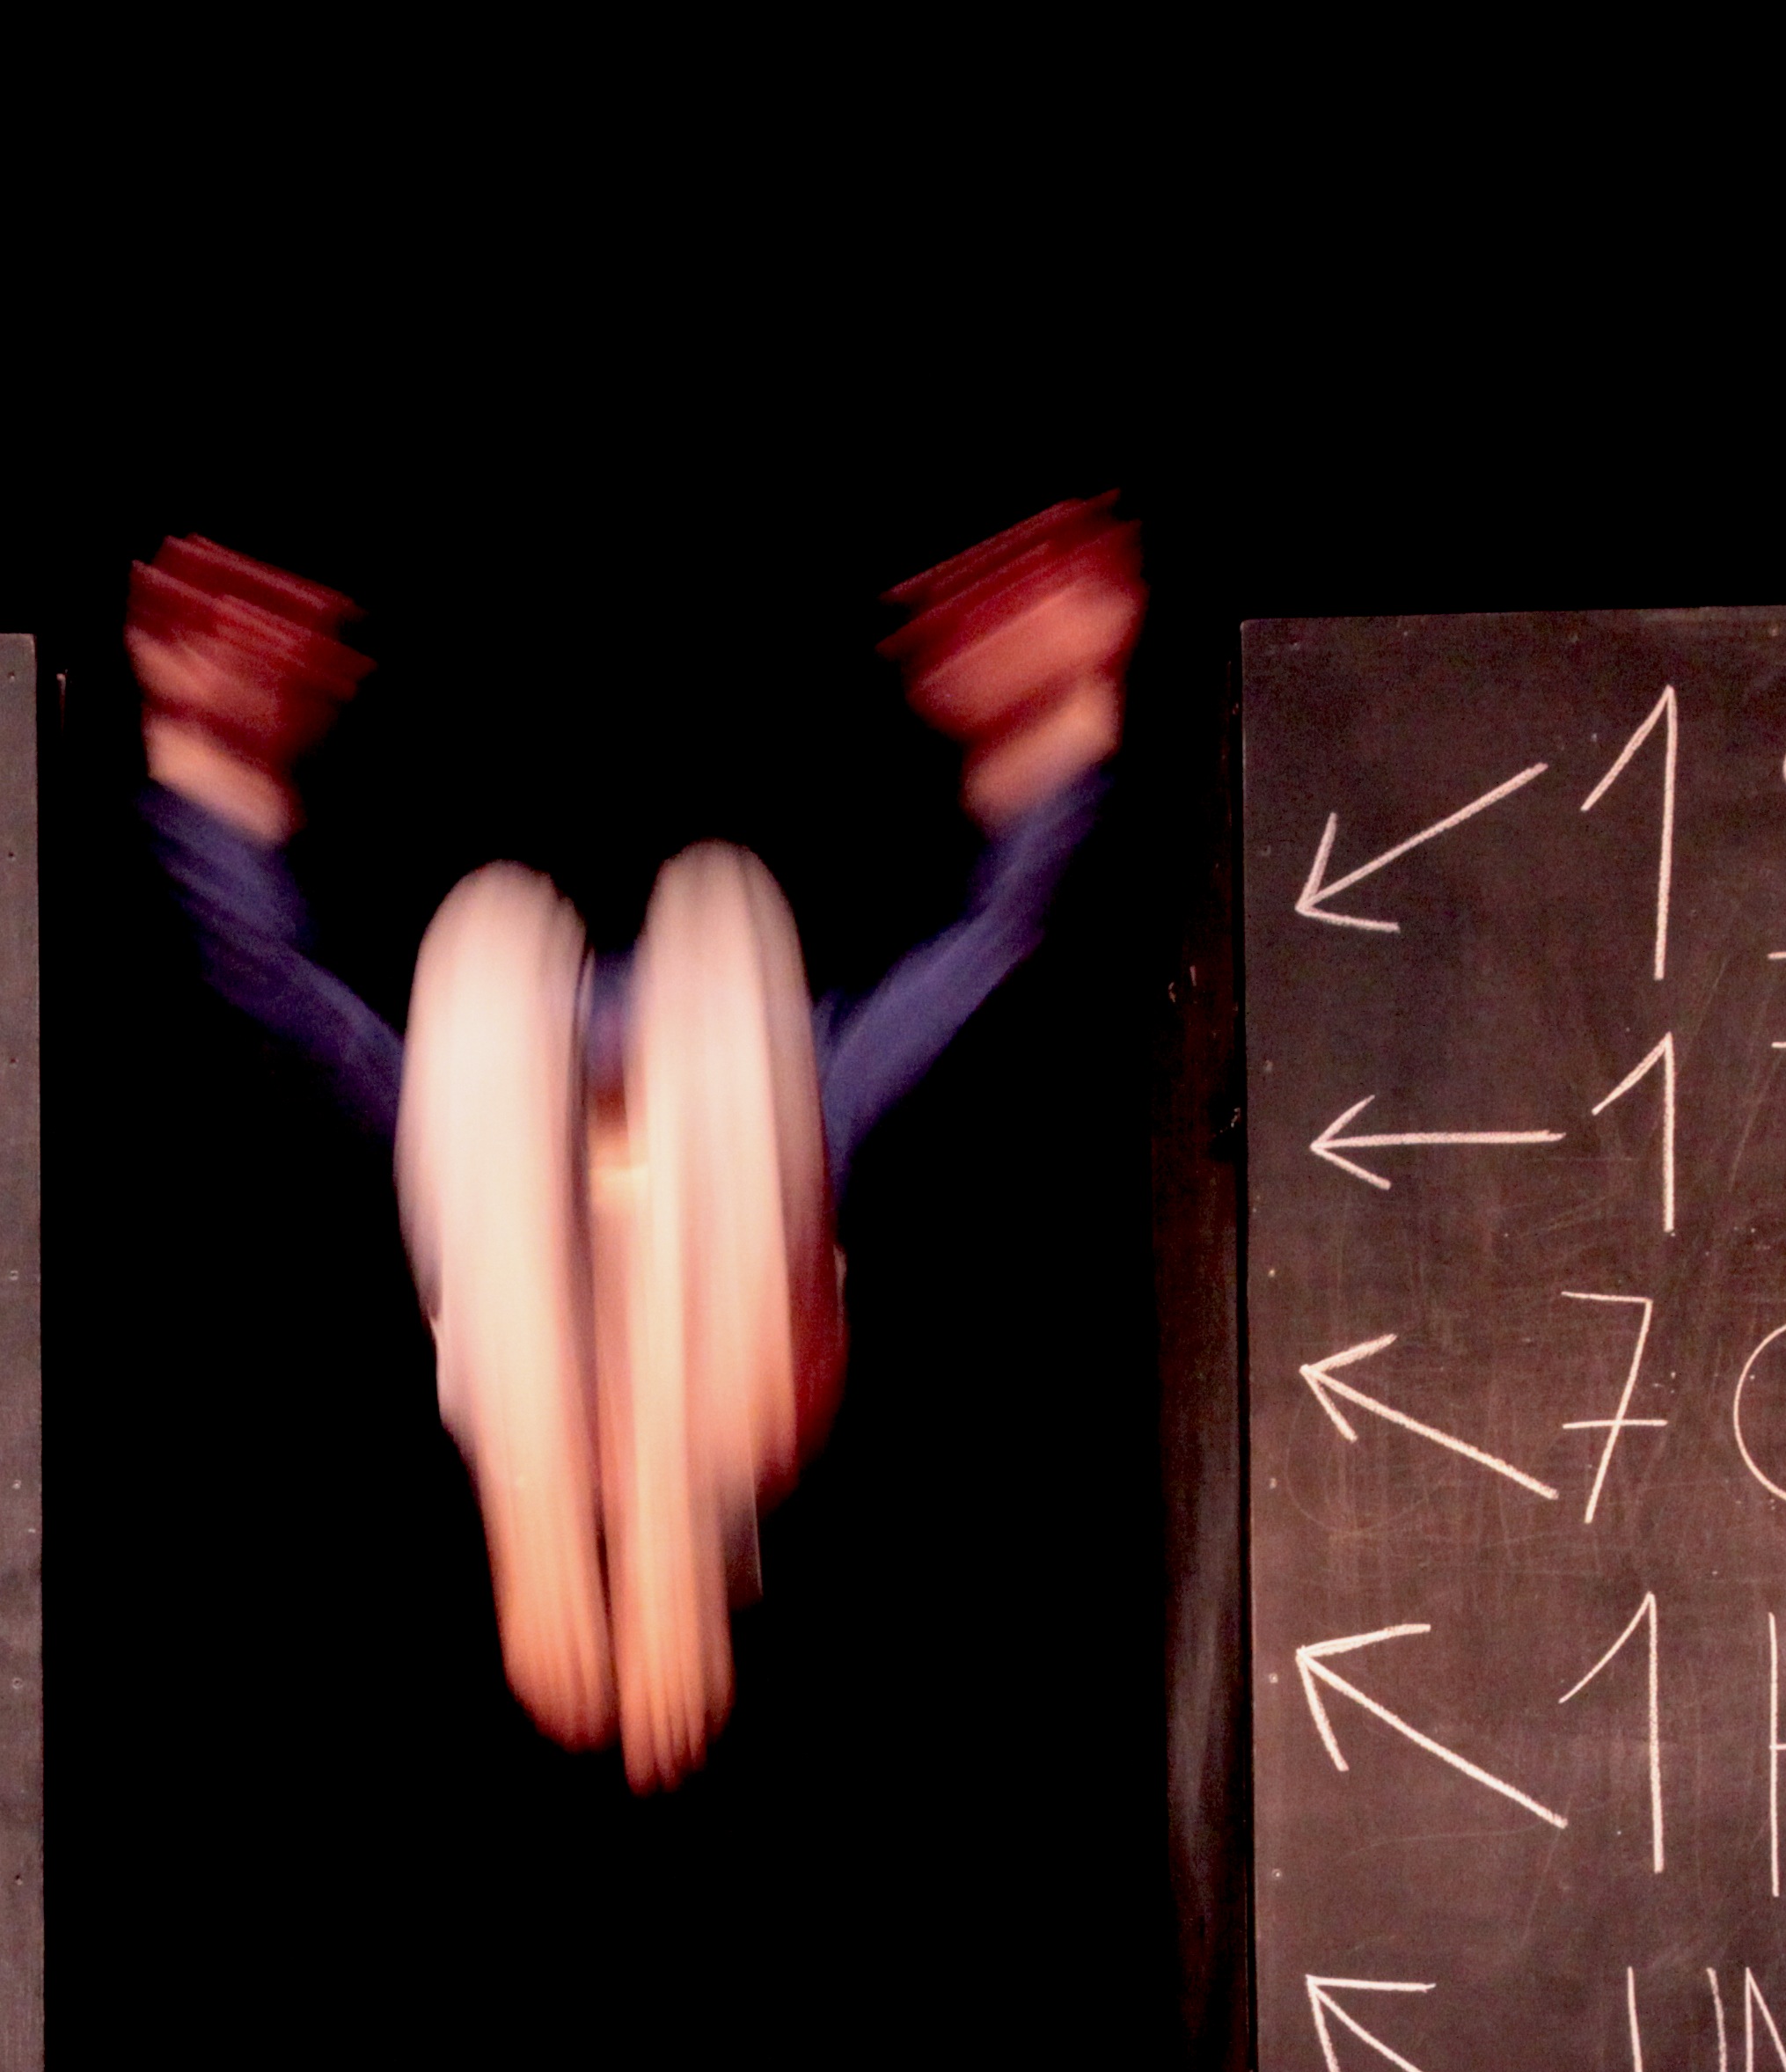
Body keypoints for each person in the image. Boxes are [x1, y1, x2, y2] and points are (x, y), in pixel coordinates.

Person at [130, 502, 1146, 1786]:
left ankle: (637, 1462)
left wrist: (205, 747)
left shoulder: (557, 1080)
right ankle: (631, 1463)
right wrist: (1060, 719)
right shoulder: (698, 1078)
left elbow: (274, 984)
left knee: (580, 934)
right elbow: (996, 940)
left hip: (669, 1328)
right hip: (637, 1294)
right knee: (648, 926)